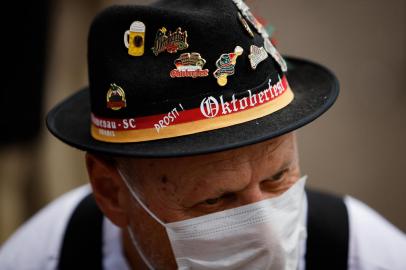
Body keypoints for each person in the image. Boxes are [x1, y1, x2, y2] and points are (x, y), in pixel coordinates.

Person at [1, 0, 405, 269]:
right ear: (111, 192)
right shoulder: (46, 256)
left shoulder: (359, 252)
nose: (266, 234)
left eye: (277, 178)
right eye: (216, 199)